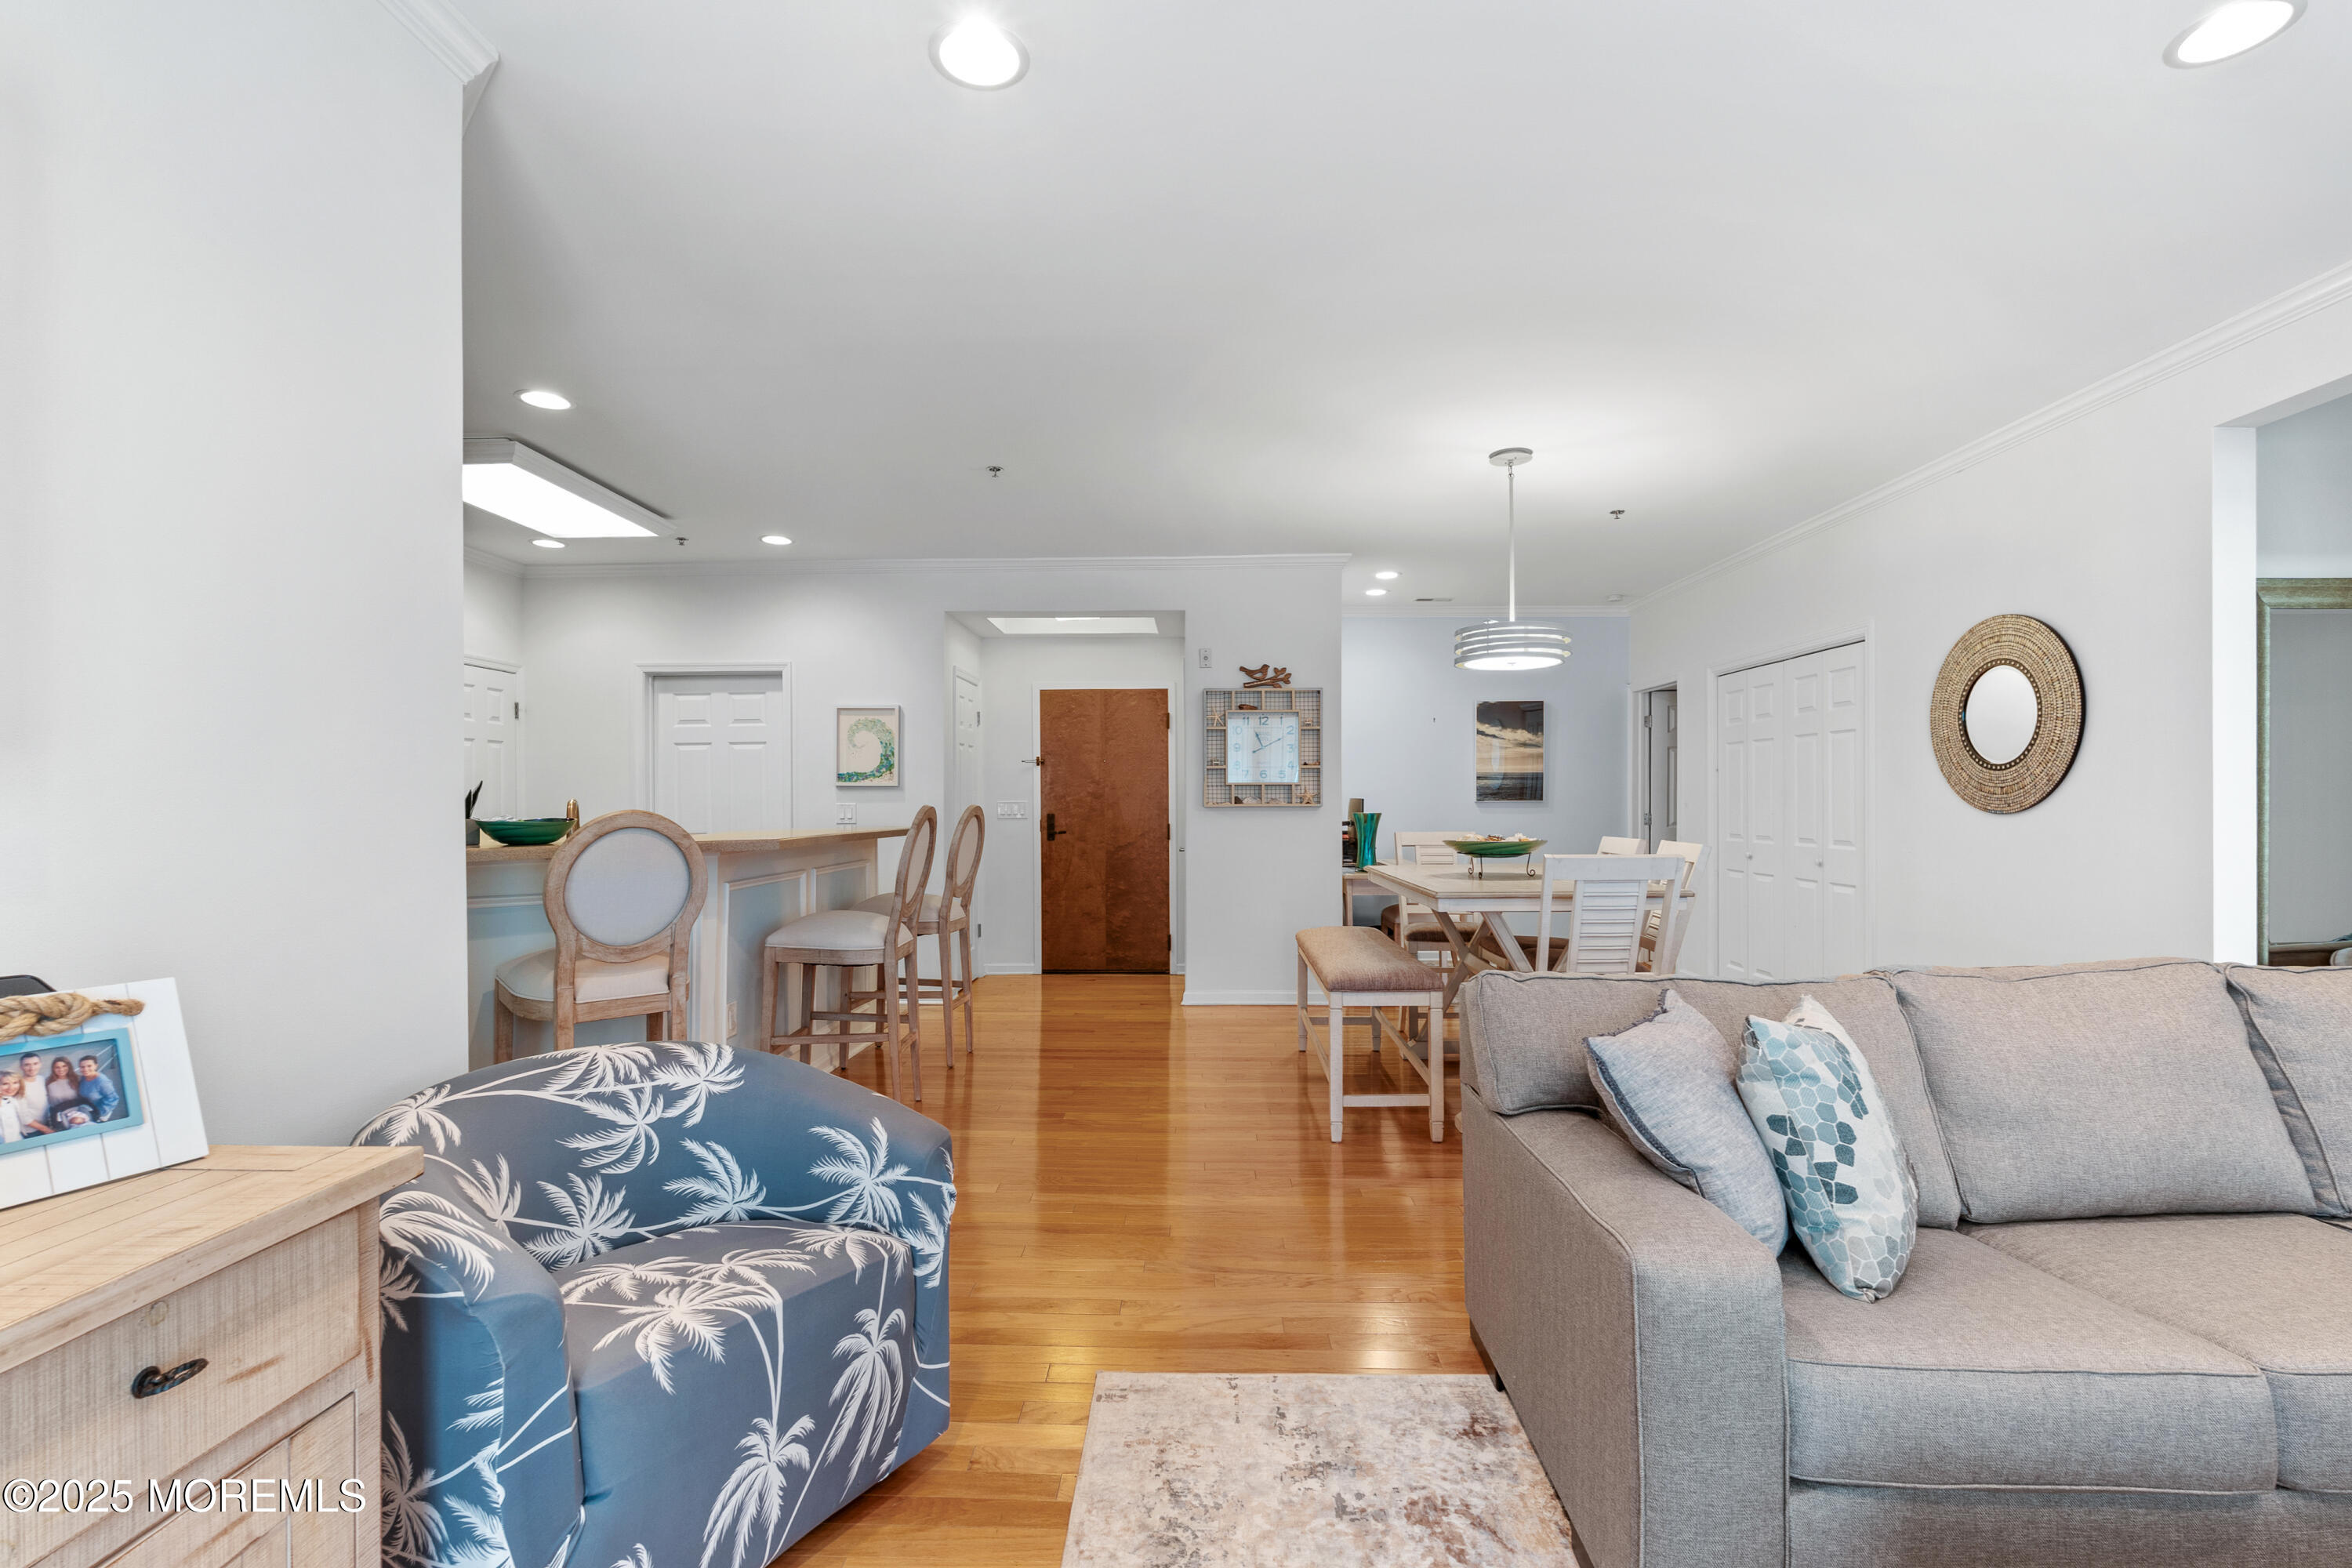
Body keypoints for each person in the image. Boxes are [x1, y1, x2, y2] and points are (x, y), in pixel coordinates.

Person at [0, 1073, 49, 1141]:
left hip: (18, 1142)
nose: (11, 1087)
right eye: (5, 1084)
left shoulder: (13, 1101)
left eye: (15, 1083)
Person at [74, 1055, 123, 1122]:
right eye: (82, 1067)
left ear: (96, 1066)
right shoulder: (84, 1078)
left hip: (99, 1114)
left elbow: (113, 1098)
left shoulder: (102, 1082)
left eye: (89, 1066)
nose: (85, 1069)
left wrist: (98, 1114)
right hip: (88, 1109)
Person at [42, 1057, 83, 1125]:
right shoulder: (48, 1082)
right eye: (57, 1067)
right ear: (53, 1069)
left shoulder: (78, 1079)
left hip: (78, 1116)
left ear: (69, 1066)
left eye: (64, 1066)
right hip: (59, 1117)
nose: (61, 1069)